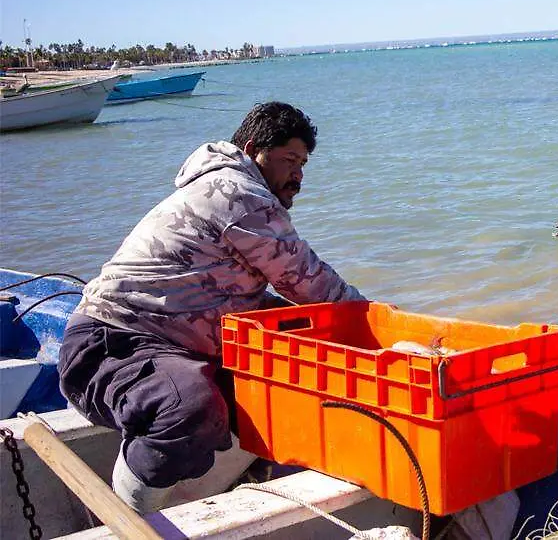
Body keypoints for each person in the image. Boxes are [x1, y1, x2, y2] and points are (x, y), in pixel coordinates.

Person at [58, 101, 365, 513]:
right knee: (191, 408)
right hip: (112, 344)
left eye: (304, 163)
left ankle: (205, 496)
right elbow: (307, 282)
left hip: (170, 346)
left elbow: (265, 301)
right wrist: (378, 324)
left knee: (287, 387)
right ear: (254, 149)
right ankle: (126, 516)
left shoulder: (239, 195)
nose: (298, 175)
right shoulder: (238, 193)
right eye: (289, 159)